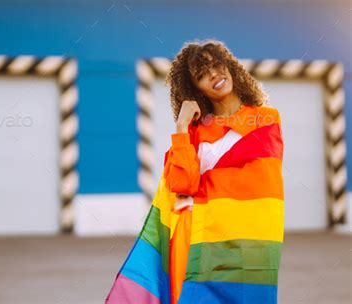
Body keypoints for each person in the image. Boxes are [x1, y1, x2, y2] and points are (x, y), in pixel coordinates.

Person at [105, 39, 284, 304]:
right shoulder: (194, 131)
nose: (214, 74)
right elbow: (181, 184)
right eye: (202, 74)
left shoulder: (264, 119)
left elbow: (257, 180)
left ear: (229, 65)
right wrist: (181, 126)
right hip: (192, 236)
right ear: (195, 89)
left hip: (238, 239)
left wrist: (200, 191)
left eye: (216, 64)